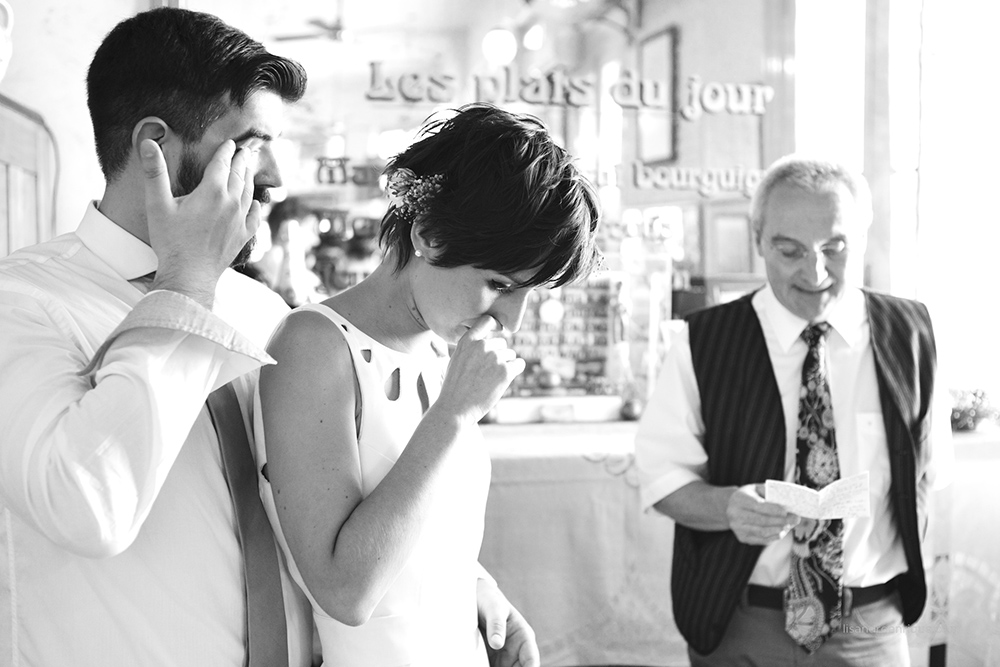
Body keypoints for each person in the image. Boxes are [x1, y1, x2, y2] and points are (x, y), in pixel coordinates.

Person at [0, 8, 316, 665]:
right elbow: (89, 505)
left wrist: (465, 583)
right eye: (253, 142)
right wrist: (186, 287)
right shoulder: (19, 304)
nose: (278, 177)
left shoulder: (262, 308)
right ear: (157, 147)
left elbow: (319, 496)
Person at [256, 103, 602, 666]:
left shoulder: (444, 352)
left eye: (529, 292)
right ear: (429, 234)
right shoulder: (313, 347)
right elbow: (346, 591)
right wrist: (451, 417)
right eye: (498, 284)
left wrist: (479, 590)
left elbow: (429, 532)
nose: (510, 320)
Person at [635, 155, 953, 666]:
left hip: (868, 623)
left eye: (836, 247)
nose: (816, 270)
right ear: (758, 239)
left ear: (864, 237)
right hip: (742, 622)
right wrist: (726, 508)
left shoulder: (911, 335)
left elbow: (931, 477)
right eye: (790, 251)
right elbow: (659, 478)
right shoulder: (706, 341)